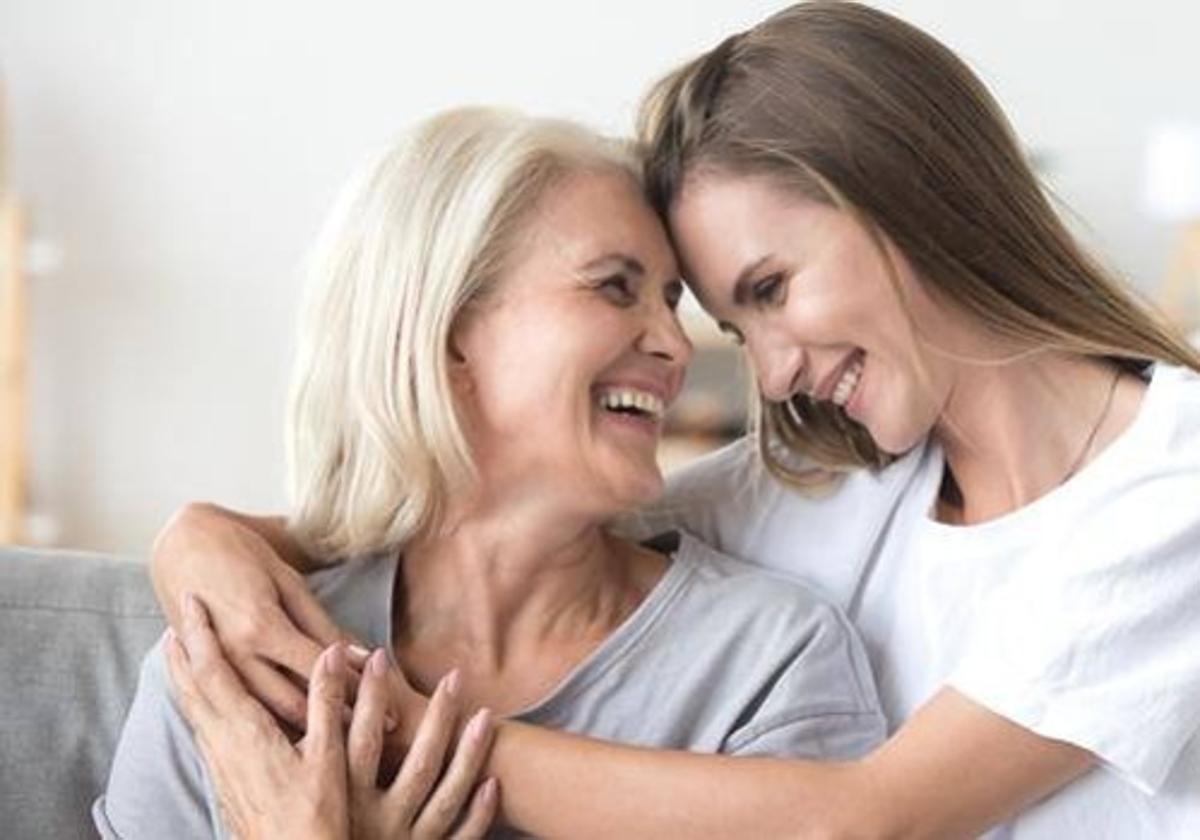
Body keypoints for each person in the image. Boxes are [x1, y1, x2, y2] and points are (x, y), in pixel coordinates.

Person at [147, 2, 1200, 837]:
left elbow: (867, 824)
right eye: (741, 329)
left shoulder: (1174, 484)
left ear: (906, 196)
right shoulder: (840, 482)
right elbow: (486, 512)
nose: (777, 373)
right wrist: (206, 538)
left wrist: (383, 731)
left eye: (773, 286)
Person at [93, 105, 886, 839]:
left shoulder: (764, 663)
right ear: (447, 338)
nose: (675, 347)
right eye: (615, 286)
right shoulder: (233, 670)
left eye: (672, 300)